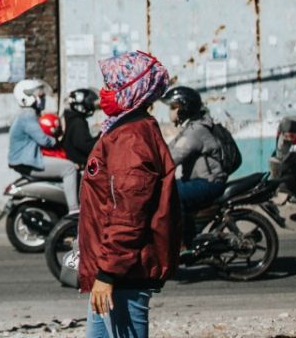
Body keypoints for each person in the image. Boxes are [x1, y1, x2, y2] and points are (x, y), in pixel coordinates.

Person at [79, 51, 180, 338]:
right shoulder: (124, 130)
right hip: (114, 268)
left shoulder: (132, 139)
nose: (106, 92)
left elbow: (128, 214)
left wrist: (108, 274)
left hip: (124, 273)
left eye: (113, 86)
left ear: (133, 89)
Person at [161, 86, 228, 248]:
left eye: (173, 107)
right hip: (200, 180)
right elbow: (169, 149)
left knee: (172, 194)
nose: (170, 111)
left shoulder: (196, 131)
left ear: (184, 107)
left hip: (209, 182)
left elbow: (174, 157)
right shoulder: (191, 127)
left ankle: (184, 241)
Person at [7, 78, 79, 211]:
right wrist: (58, 140)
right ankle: (74, 211)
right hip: (28, 162)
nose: (43, 98)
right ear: (27, 97)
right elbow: (43, 140)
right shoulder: (28, 115)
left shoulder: (25, 115)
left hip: (24, 161)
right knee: (69, 168)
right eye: (40, 95)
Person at [62, 88, 100, 167]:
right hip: (79, 162)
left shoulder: (70, 117)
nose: (91, 106)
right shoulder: (78, 122)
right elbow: (84, 145)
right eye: (89, 103)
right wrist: (100, 140)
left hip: (72, 159)